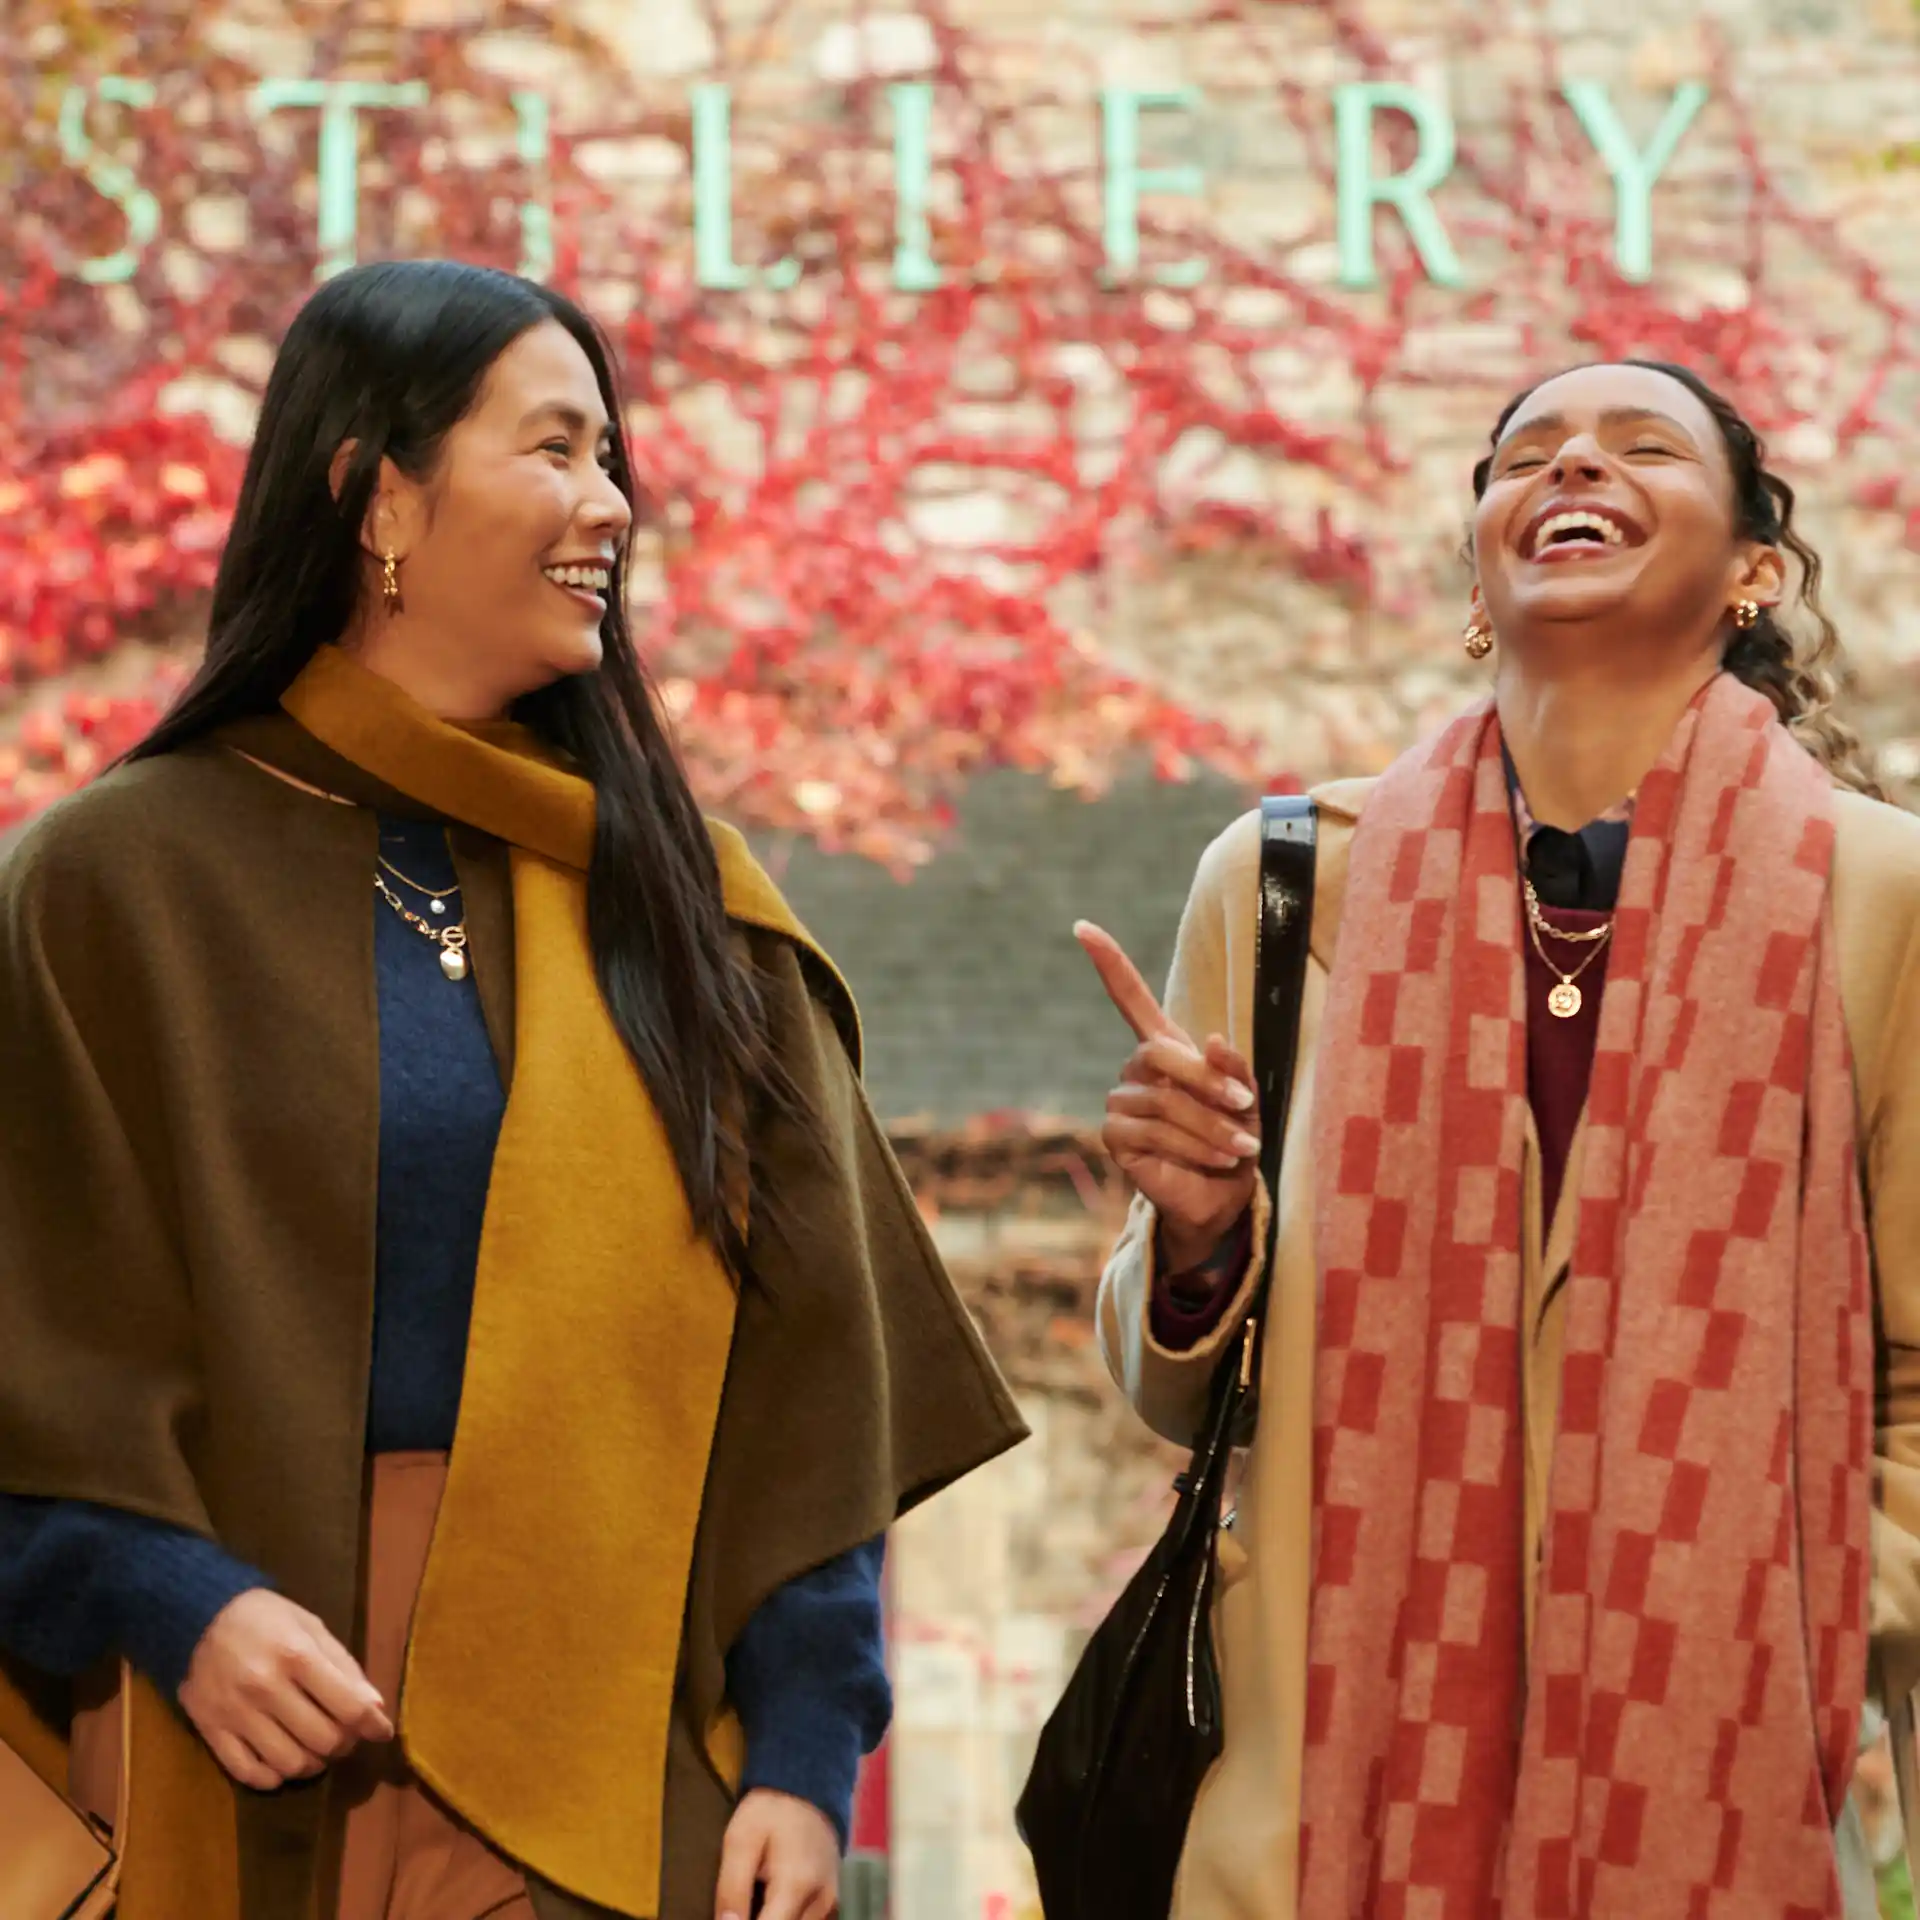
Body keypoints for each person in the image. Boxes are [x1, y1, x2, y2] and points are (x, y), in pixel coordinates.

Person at [0, 258, 1026, 1920]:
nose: (607, 505)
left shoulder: (685, 902)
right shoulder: (112, 886)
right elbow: (32, 1343)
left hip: (621, 1748)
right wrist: (175, 1599)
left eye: (613, 461)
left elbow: (803, 1375)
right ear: (375, 494)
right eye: (554, 449)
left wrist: (806, 1751)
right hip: (236, 1737)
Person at [1076, 358, 1920, 1917]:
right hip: (1325, 1781)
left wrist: (1800, 1597)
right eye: (1524, 455)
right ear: (1481, 564)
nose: (1572, 468)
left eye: (1639, 447)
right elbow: (1174, 1387)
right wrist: (1194, 1244)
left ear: (1754, 572)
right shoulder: (1277, 887)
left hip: (1713, 1780)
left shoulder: (1881, 900)